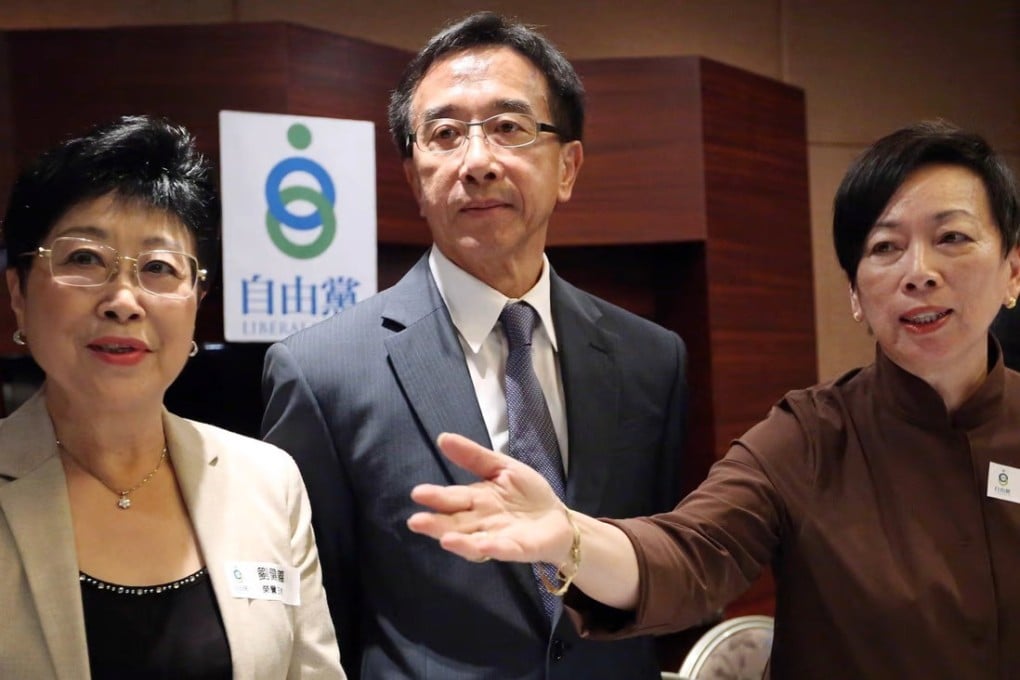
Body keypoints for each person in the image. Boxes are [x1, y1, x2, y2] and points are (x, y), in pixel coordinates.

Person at [407, 120, 1020, 680]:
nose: (919, 271)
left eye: (953, 237)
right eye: (885, 248)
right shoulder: (807, 437)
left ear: (1012, 271)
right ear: (856, 294)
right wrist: (569, 536)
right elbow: (691, 553)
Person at [260, 11, 687, 680]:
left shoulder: (652, 359)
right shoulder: (322, 372)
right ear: (413, 175)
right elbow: (317, 617)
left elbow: (657, 568)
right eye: (445, 134)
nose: (477, 162)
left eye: (510, 129)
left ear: (568, 167)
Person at [0, 115, 345, 679]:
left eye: (159, 268)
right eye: (84, 258)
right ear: (19, 294)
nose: (123, 300)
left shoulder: (269, 482)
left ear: (195, 301)